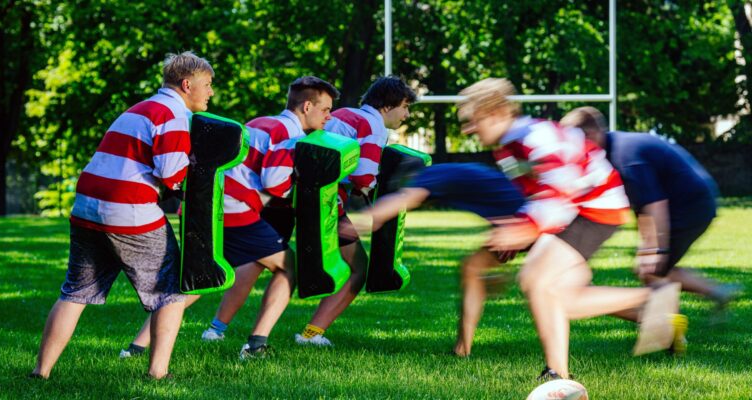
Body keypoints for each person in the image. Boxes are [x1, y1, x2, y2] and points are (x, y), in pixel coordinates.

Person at [457, 78, 686, 380]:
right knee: (559, 298)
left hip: (594, 208)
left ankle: (557, 376)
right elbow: (538, 197)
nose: (467, 130)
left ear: (497, 112)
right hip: (580, 208)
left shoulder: (532, 137)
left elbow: (561, 190)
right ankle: (658, 314)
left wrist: (525, 230)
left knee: (536, 280)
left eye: (472, 120)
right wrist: (514, 237)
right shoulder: (508, 146)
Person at [119, 76, 339, 360]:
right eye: (326, 110)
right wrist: (302, 185)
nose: (329, 117)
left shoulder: (262, 122)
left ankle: (135, 348)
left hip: (210, 203)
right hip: (234, 209)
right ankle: (256, 345)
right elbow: (274, 182)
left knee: (202, 279)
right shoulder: (291, 134)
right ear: (307, 106)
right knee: (289, 267)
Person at [31, 51, 215, 379]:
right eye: (208, 85)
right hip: (128, 210)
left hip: (87, 207)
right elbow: (172, 174)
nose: (211, 92)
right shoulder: (172, 114)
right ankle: (158, 373)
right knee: (172, 292)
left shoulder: (138, 109)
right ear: (188, 85)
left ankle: (40, 372)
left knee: (74, 293)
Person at [560, 107, 741, 318]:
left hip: (691, 204)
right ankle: (709, 297)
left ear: (591, 135)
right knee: (655, 270)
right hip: (685, 201)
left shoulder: (624, 156)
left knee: (654, 269)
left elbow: (655, 204)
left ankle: (667, 323)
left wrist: (655, 250)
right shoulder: (610, 152)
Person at [293, 76, 417, 346]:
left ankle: (220, 328)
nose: (407, 114)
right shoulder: (374, 126)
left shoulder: (346, 113)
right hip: (324, 201)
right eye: (405, 106)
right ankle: (311, 335)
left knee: (265, 261)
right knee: (357, 268)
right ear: (388, 105)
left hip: (300, 194)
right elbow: (363, 178)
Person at [356, 162, 526, 356]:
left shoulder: (429, 177)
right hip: (515, 217)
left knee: (540, 285)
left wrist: (368, 218)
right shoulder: (448, 172)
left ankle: (464, 347)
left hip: (530, 219)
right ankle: (462, 349)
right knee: (471, 268)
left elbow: (407, 198)